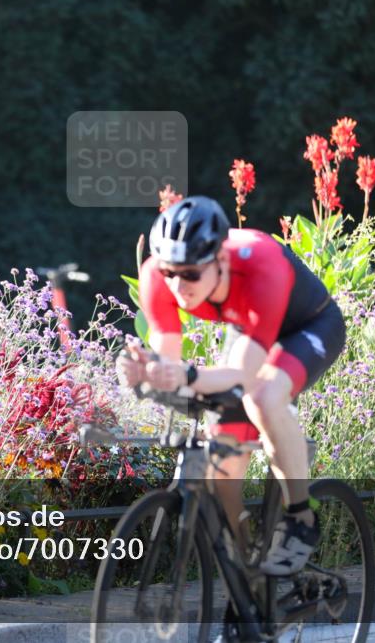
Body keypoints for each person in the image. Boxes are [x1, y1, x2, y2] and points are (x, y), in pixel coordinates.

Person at [116, 196, 346, 575]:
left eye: (191, 274)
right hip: (250, 329)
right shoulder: (158, 276)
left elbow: (242, 376)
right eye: (170, 272)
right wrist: (146, 374)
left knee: (263, 397)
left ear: (220, 260)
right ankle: (246, 582)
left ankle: (301, 518)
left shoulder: (261, 266)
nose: (178, 285)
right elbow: (169, 362)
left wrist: (187, 376)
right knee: (221, 468)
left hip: (308, 327)